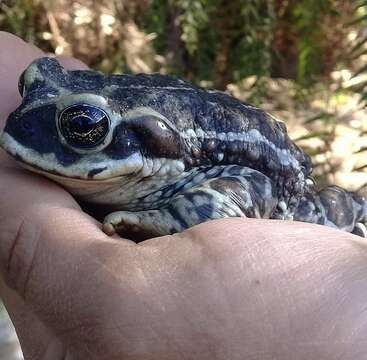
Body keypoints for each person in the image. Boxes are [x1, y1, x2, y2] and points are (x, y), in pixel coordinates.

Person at [0, 31, 367, 360]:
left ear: (145, 147)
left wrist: (169, 218)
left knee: (335, 214)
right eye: (28, 87)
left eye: (82, 127)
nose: (22, 119)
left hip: (288, 187)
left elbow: (256, 184)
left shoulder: (177, 166)